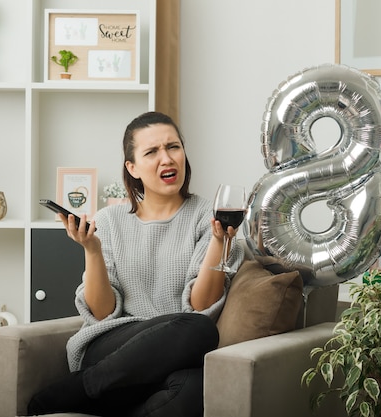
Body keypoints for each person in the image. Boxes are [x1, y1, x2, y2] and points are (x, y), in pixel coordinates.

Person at [27, 111, 245, 417]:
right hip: (112, 349)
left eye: (173, 147)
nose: (166, 159)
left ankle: (97, 397)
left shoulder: (210, 217)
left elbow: (200, 305)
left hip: (172, 356)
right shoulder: (110, 220)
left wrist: (219, 242)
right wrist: (92, 250)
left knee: (196, 380)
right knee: (198, 329)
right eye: (152, 152)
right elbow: (102, 313)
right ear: (133, 167)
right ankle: (82, 387)